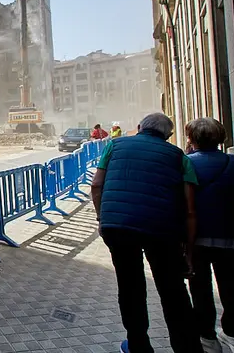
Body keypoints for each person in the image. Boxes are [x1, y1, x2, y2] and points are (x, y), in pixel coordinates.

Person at [91, 113, 203, 353]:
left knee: (129, 285)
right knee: (172, 288)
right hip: (161, 229)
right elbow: (189, 206)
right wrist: (189, 251)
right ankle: (188, 347)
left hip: (117, 226)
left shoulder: (114, 144)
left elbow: (96, 184)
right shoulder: (177, 156)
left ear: (140, 127)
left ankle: (138, 345)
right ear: (168, 136)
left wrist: (102, 217)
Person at [185, 118, 234, 353]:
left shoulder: (186, 163)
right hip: (229, 234)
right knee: (232, 286)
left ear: (192, 139)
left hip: (197, 237)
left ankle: (207, 338)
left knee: (200, 288)